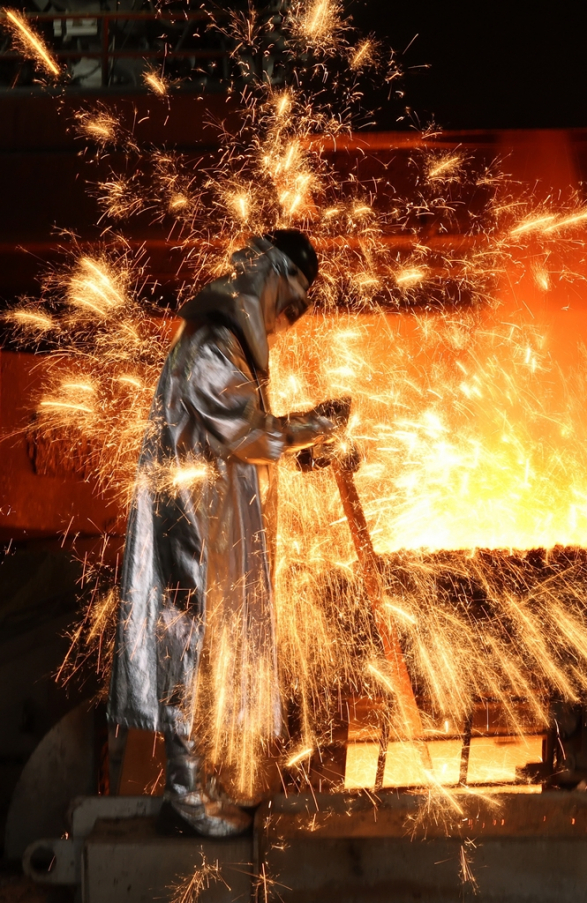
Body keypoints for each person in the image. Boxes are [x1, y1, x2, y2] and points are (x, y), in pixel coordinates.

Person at [107, 230, 338, 837]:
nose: (291, 320)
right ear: (272, 279)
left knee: (207, 651)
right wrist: (317, 423)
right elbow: (253, 436)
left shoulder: (228, 345)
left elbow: (249, 438)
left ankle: (198, 782)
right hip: (189, 526)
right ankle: (185, 796)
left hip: (209, 523)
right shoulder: (211, 346)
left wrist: (308, 441)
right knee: (189, 645)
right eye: (293, 304)